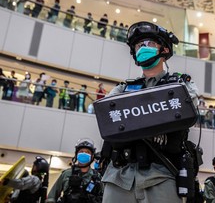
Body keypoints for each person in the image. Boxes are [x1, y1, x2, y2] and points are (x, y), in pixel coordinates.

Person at [100, 21, 201, 203]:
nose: (143, 48)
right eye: (139, 45)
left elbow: (186, 106)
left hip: (161, 175)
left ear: (164, 50)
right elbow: (106, 114)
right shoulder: (123, 88)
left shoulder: (182, 84)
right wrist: (157, 115)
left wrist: (132, 116)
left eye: (150, 44)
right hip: (118, 177)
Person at [46, 138, 103, 203]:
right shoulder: (67, 173)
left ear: (92, 156)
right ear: (76, 154)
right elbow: (51, 197)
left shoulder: (97, 177)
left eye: (87, 152)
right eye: (81, 151)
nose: (84, 154)